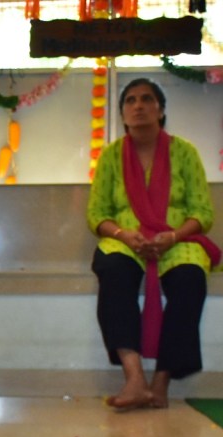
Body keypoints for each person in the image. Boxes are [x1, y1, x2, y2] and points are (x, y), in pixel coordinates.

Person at [87, 77, 217, 410]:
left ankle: (160, 383)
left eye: (147, 99)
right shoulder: (111, 156)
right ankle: (134, 378)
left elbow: (202, 212)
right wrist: (123, 235)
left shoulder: (184, 152)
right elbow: (97, 214)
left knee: (189, 278)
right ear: (123, 113)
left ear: (161, 110)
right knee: (112, 269)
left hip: (176, 239)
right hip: (125, 240)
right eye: (130, 100)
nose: (139, 106)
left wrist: (173, 236)